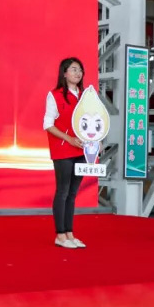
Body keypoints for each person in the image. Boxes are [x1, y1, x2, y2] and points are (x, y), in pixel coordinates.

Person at [43, 57, 88, 249]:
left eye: (80, 70)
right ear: (64, 73)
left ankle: (70, 233)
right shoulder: (54, 95)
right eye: (74, 69)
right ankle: (60, 235)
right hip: (63, 149)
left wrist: (97, 140)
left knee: (72, 193)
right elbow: (48, 124)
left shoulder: (86, 96)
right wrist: (68, 139)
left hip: (82, 149)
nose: (78, 73)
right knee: (62, 191)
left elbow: (95, 121)